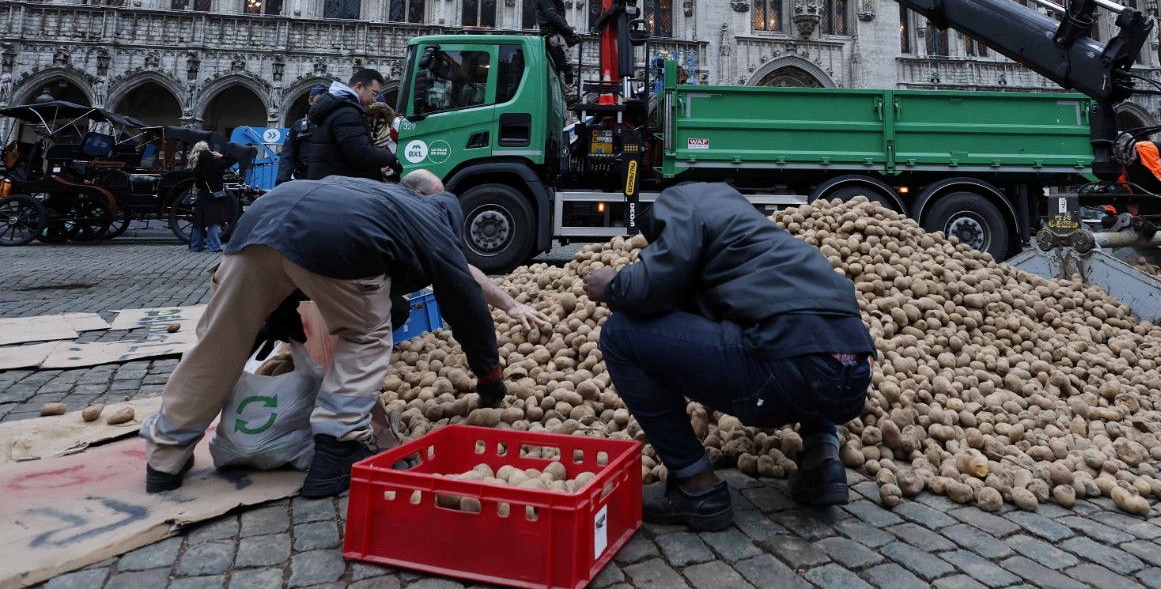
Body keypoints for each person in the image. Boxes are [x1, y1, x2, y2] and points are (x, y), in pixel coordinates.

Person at [141, 170, 547, 498]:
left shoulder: (374, 194)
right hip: (339, 240)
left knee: (222, 341)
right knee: (365, 338)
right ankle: (335, 455)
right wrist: (489, 378)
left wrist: (275, 311)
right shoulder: (435, 217)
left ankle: (165, 456)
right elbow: (466, 303)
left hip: (263, 220)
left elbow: (299, 241)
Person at [582, 183, 874, 532]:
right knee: (806, 337)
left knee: (619, 334)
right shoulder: (758, 237)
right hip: (854, 373)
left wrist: (613, 284)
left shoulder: (684, 202)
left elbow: (655, 282)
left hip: (787, 371)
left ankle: (696, 486)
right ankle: (822, 461)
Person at [306, 68, 402, 182]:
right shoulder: (347, 112)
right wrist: (390, 158)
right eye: (373, 93)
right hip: (342, 187)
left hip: (332, 183)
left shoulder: (337, 107)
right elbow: (361, 154)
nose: (374, 99)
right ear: (359, 87)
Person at [536, 0, 580, 90]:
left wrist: (567, 33)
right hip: (553, 35)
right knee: (566, 65)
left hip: (554, 34)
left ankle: (564, 93)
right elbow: (552, 16)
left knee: (559, 66)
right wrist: (569, 30)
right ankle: (570, 95)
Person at [275, 84, 327, 184]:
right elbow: (287, 156)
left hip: (328, 180)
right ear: (311, 101)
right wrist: (281, 183)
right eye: (320, 99)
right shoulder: (299, 126)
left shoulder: (334, 122)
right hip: (304, 179)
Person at [188, 141, 231, 253]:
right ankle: (213, 246)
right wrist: (222, 156)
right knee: (212, 221)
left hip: (202, 194)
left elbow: (197, 184)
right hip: (213, 196)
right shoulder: (217, 164)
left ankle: (196, 246)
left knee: (198, 221)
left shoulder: (197, 165)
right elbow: (233, 159)